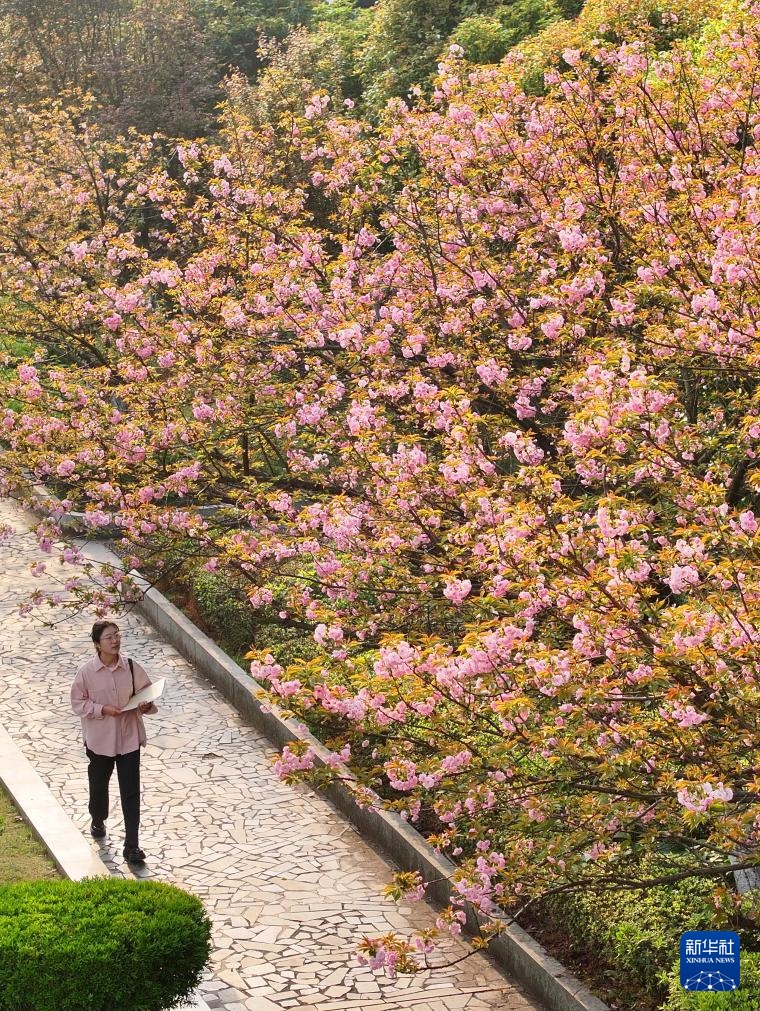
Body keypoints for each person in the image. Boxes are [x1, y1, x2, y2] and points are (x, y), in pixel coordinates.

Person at [71, 620, 157, 866]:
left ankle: (132, 845)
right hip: (100, 742)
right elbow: (78, 703)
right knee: (99, 787)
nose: (115, 641)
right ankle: (98, 818)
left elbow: (147, 693)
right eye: (109, 637)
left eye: (117, 636)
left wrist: (146, 704)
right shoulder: (86, 672)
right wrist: (102, 709)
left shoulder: (130, 667)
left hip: (129, 739)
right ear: (97, 644)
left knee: (131, 792)